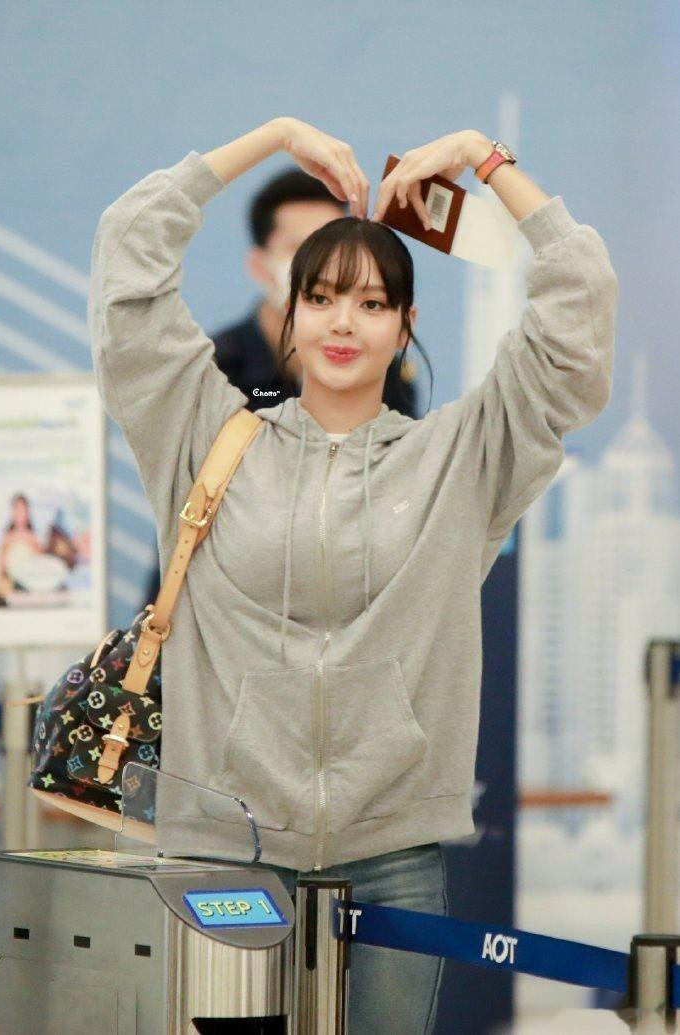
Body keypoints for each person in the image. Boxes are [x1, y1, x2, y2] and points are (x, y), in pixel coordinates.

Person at [88, 117, 618, 1032]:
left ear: (406, 327)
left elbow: (578, 305)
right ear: (288, 315)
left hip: (394, 859)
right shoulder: (203, 433)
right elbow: (129, 253)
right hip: (225, 851)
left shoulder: (461, 459)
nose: (344, 320)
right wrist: (271, 137)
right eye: (323, 296)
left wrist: (483, 160)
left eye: (373, 303)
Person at [141, 165, 420, 611]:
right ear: (260, 266)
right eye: (300, 249)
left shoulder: (384, 373)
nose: (321, 263)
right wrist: (278, 136)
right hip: (219, 607)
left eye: (329, 244)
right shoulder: (219, 369)